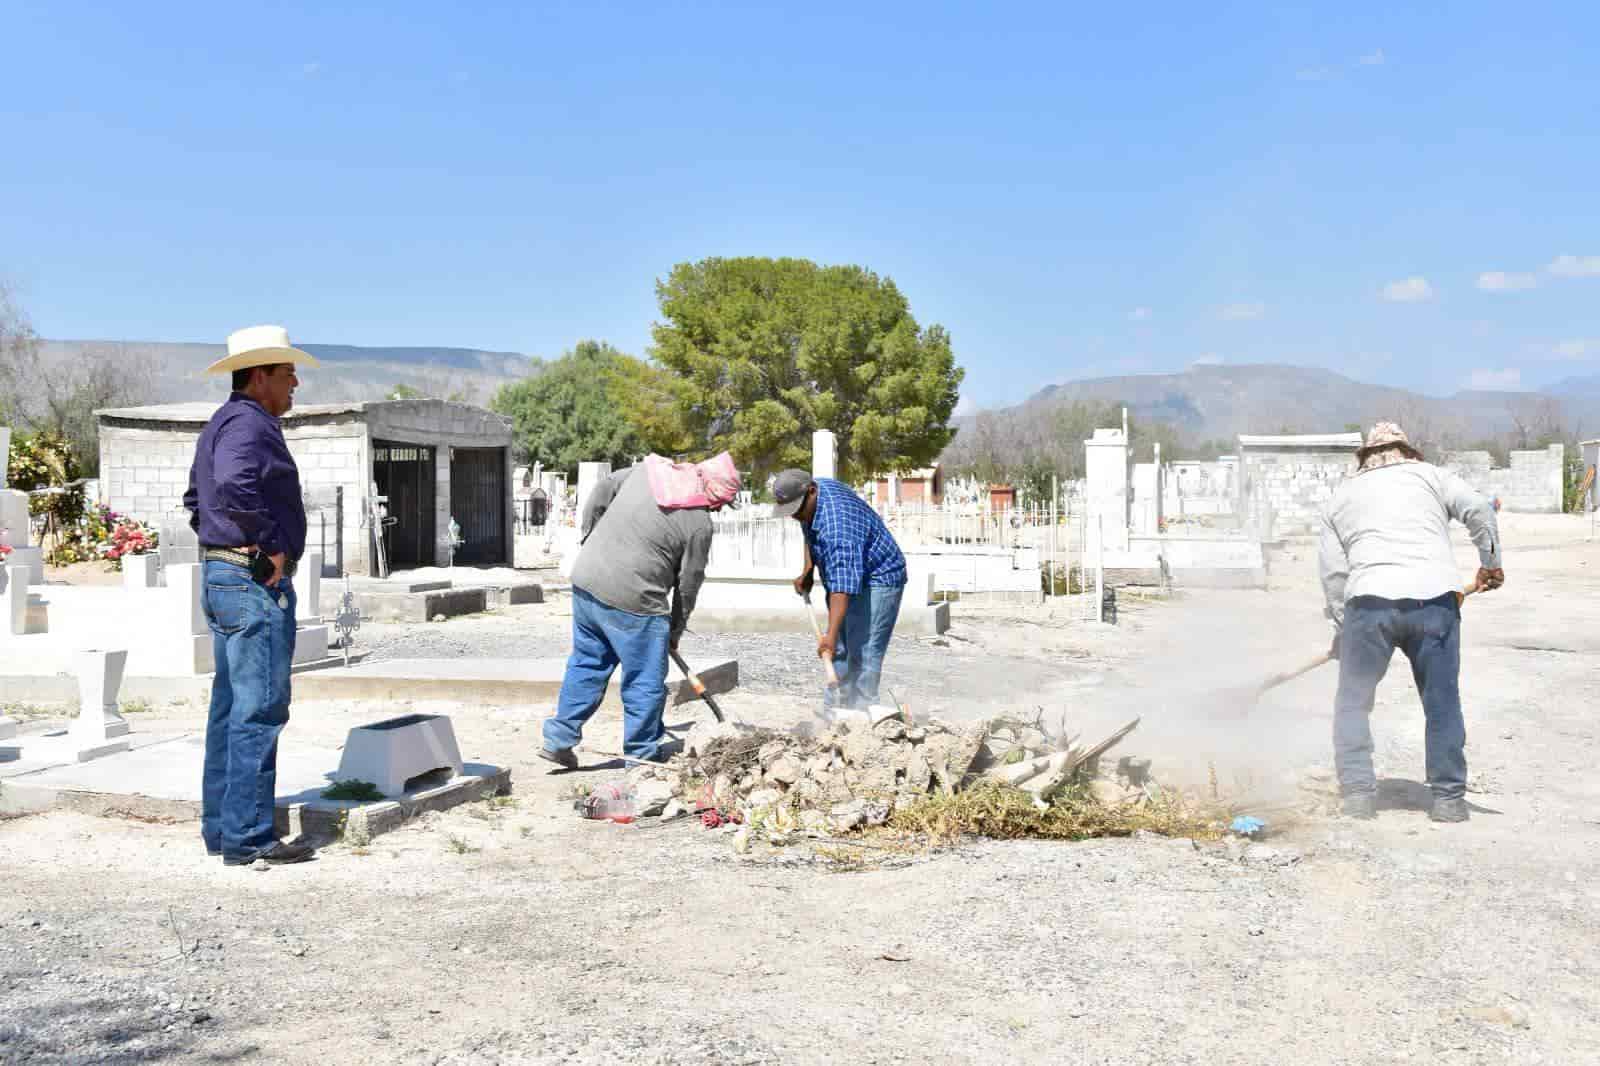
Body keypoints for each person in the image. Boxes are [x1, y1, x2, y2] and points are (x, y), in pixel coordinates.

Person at [1318, 422, 1504, 823]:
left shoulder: (1340, 496)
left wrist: (1342, 626)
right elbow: (1480, 511)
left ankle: (1358, 795)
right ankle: (1449, 800)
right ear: (1408, 451)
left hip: (1368, 606)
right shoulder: (1432, 477)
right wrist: (1491, 564)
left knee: (1352, 702)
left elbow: (1334, 575)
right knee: (1441, 703)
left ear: (1365, 458)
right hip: (1433, 603)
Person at [183, 325, 319, 865]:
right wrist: (266, 547)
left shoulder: (221, 423)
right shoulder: (248, 426)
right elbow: (236, 485)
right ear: (260, 375)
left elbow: (198, 499)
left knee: (230, 709)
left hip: (223, 575)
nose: (296, 385)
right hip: (249, 579)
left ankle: (223, 828)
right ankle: (251, 836)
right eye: (288, 374)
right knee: (259, 708)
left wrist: (224, 549)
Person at [540, 453, 741, 768]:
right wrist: (674, 630)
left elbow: (601, 490)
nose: (716, 509)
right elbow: (689, 585)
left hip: (587, 579)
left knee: (587, 664)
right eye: (719, 503)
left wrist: (591, 537)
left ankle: (558, 739)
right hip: (636, 601)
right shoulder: (699, 524)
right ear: (714, 494)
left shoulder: (648, 472)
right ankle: (641, 754)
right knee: (645, 679)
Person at [770, 468, 908, 712]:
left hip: (879, 575)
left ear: (811, 492)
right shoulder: (812, 496)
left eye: (797, 510)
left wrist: (830, 636)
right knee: (840, 652)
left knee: (864, 652)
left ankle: (864, 717)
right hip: (849, 572)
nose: (795, 516)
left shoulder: (838, 525)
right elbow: (809, 528)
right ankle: (834, 713)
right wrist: (808, 570)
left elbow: (842, 586)